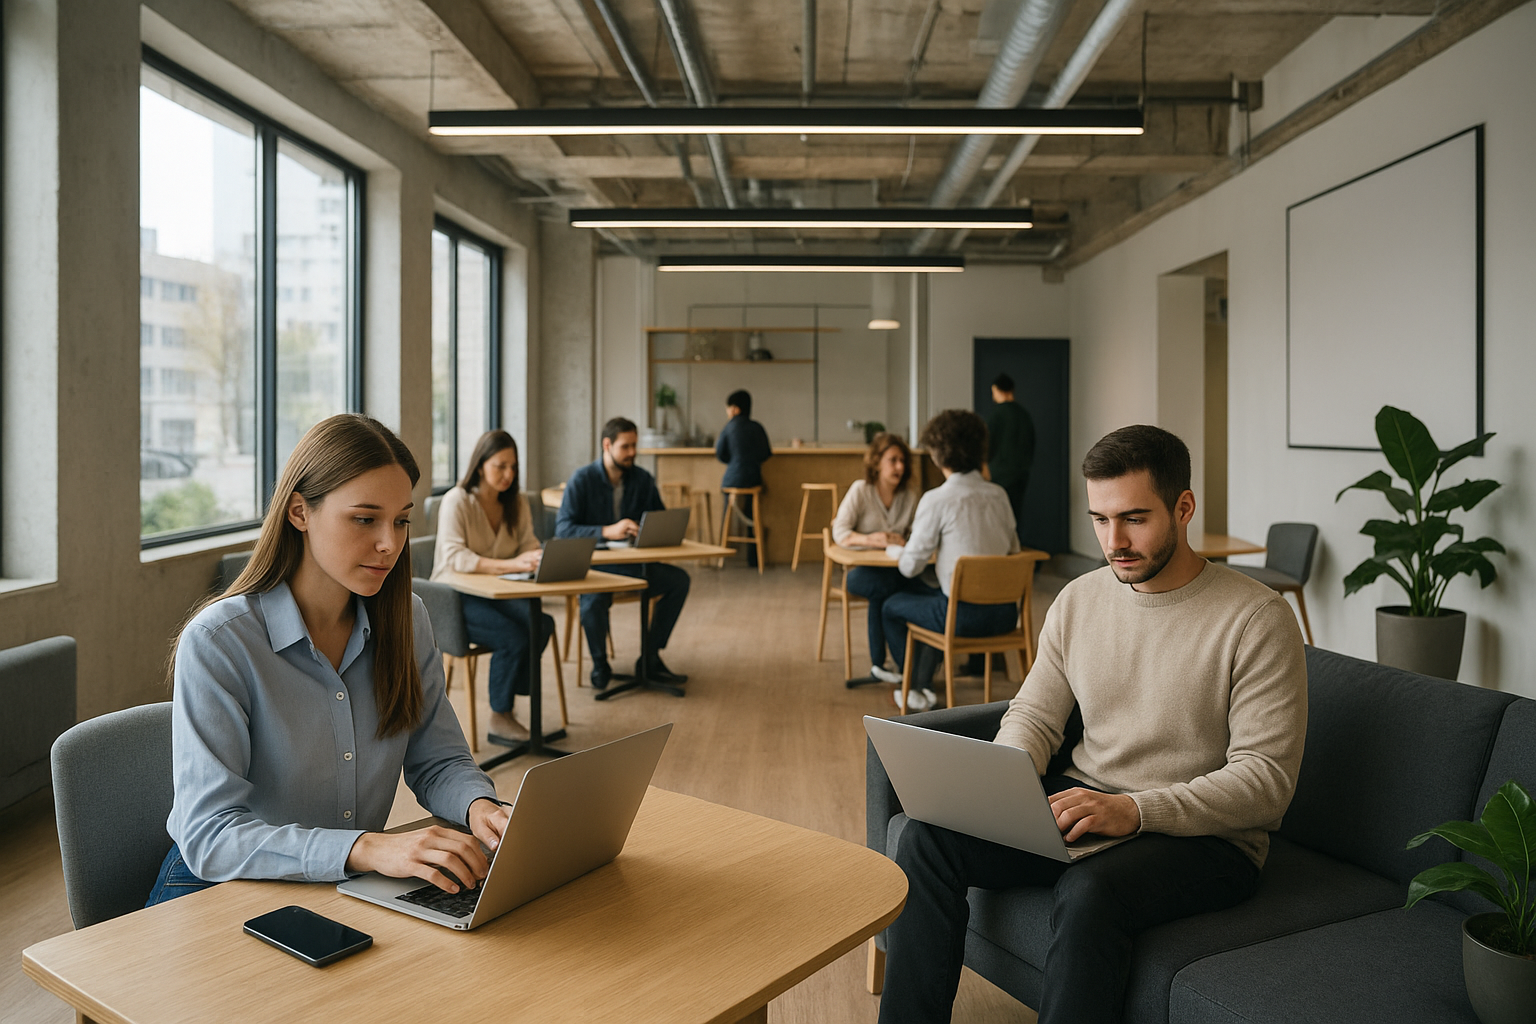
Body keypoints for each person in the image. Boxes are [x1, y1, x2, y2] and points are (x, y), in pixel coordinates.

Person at [876, 424, 1308, 1024]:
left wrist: (1134, 810)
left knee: (1089, 891)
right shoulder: (1079, 600)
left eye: (1134, 517)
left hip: (1207, 840)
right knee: (925, 837)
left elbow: (1265, 783)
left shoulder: (1257, 617)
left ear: (1184, 507)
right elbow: (1034, 713)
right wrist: (1002, 779)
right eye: (1100, 519)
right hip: (1089, 803)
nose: (1115, 541)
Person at [151, 414, 506, 906]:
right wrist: (365, 848)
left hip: (342, 885)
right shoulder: (219, 642)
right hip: (218, 890)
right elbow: (210, 835)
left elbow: (438, 759)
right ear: (300, 512)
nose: (390, 543)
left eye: (401, 520)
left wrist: (479, 808)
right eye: (365, 519)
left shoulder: (407, 619)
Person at [880, 409, 1020, 711]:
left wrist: (897, 551)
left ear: (936, 454)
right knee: (933, 599)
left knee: (891, 606)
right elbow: (1012, 552)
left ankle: (912, 685)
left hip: (961, 618)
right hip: (1007, 615)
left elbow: (909, 567)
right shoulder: (1000, 495)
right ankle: (921, 682)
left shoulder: (937, 499)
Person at [431, 430, 553, 742]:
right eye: (500, 466)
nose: (509, 475)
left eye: (513, 467)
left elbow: (528, 543)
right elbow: (454, 557)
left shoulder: (517, 503)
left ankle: (512, 693)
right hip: (453, 598)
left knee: (542, 623)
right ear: (481, 464)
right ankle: (500, 716)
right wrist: (512, 565)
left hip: (495, 592)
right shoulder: (457, 501)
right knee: (513, 636)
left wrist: (534, 558)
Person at [555, 416, 691, 689]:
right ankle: (600, 663)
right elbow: (563, 530)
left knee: (679, 581)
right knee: (592, 599)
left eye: (634, 446)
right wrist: (607, 531)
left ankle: (650, 657)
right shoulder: (582, 479)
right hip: (597, 569)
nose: (632, 453)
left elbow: (659, 519)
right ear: (607, 445)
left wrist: (647, 531)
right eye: (625, 447)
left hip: (634, 565)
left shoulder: (642, 479)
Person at [830, 432, 920, 683]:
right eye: (893, 460)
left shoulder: (910, 496)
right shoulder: (861, 490)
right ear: (877, 462)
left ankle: (886, 667)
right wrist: (873, 539)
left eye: (903, 461)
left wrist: (905, 540)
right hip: (861, 572)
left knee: (893, 587)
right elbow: (840, 531)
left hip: (895, 570)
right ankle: (895, 666)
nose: (899, 467)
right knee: (884, 587)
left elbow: (917, 535)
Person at [715, 389, 772, 567]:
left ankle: (724, 555)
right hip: (753, 478)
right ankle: (754, 559)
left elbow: (720, 454)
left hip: (732, 480)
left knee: (728, 513)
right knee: (752, 515)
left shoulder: (728, 427)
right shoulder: (757, 427)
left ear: (735, 409)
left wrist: (734, 462)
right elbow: (766, 453)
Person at [985, 372, 1036, 543]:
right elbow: (1031, 444)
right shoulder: (1024, 415)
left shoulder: (996, 415)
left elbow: (988, 446)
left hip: (998, 475)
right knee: (1015, 517)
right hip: (1021, 475)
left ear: (997, 390)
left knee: (997, 519)